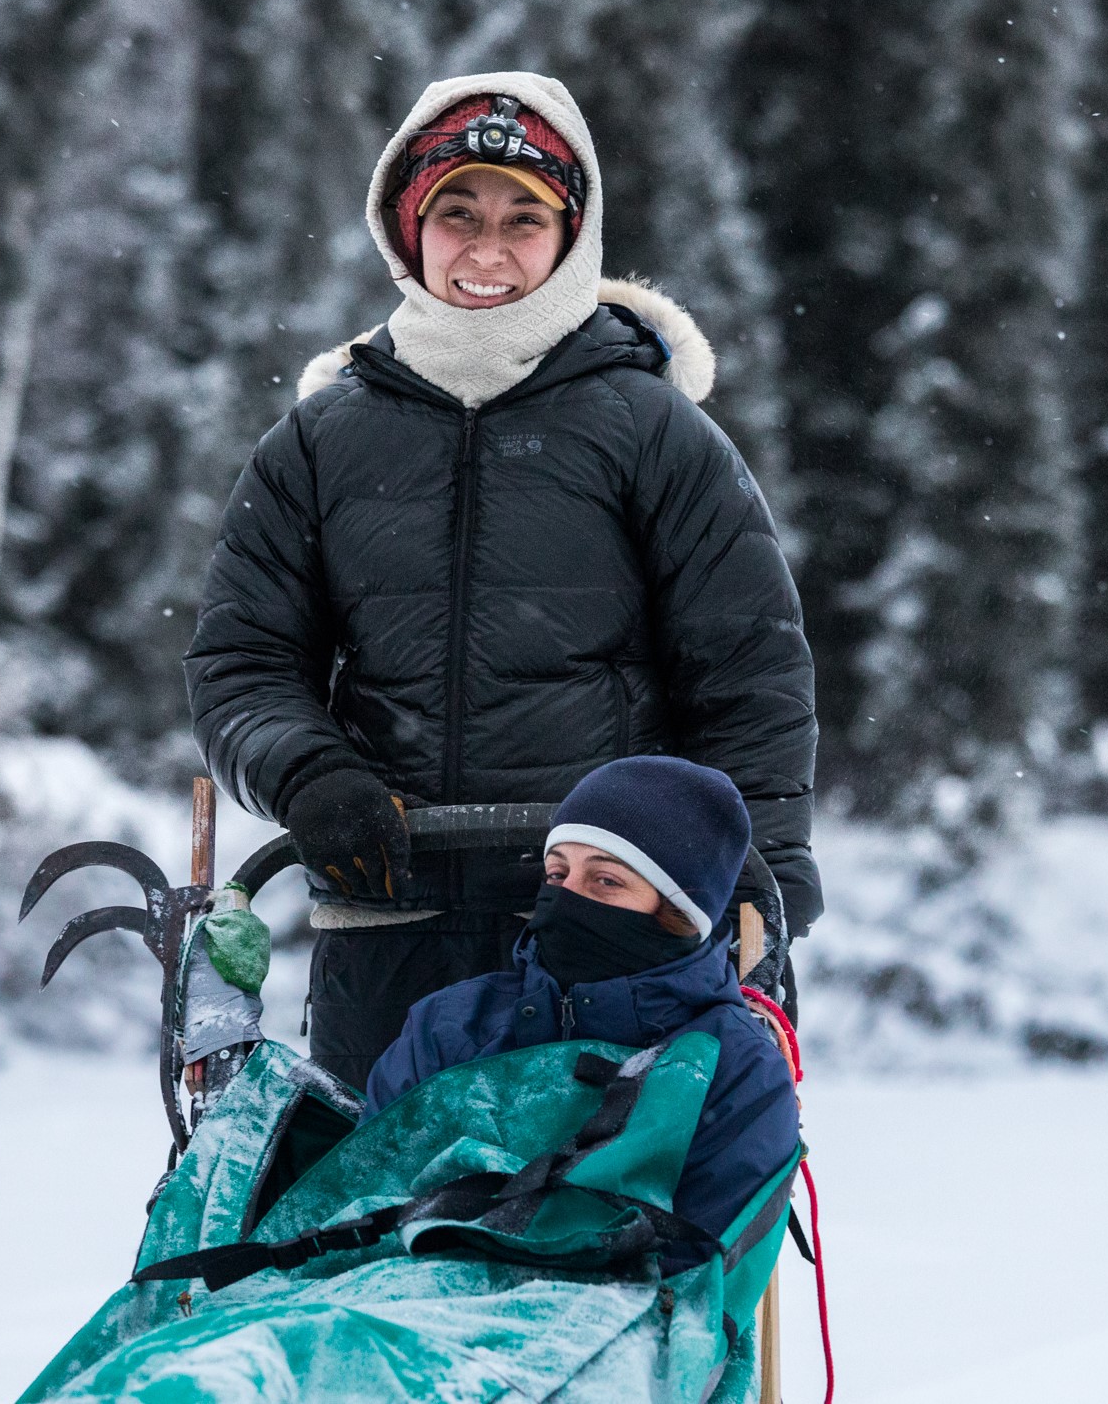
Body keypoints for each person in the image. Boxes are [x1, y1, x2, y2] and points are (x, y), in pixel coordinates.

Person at [185, 71, 821, 1091]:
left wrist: (764, 883)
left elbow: (747, 677)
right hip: (383, 918)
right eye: (457, 212)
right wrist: (310, 776)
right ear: (407, 225)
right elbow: (241, 660)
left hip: (606, 926)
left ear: (570, 237)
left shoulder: (655, 433)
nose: (487, 249)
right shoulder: (316, 442)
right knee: (379, 1229)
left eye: (524, 219)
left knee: (590, 1229)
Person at [365, 756, 801, 1256]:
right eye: (557, 873)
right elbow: (368, 1194)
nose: (567, 898)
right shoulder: (449, 1025)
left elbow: (701, 1273)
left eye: (606, 881)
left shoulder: (736, 1067)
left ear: (679, 910)